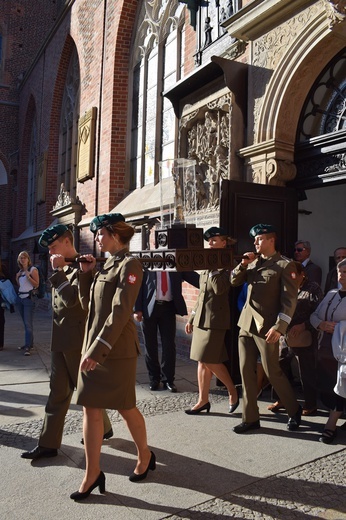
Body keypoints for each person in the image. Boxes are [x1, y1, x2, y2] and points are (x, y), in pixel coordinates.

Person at [70, 213, 154, 501]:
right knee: (90, 409)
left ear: (116, 235)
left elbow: (120, 312)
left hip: (115, 352)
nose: (96, 238)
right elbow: (88, 308)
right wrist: (86, 274)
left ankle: (145, 454)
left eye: (100, 234)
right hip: (94, 347)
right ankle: (92, 473)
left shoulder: (130, 265)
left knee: (125, 407)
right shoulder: (106, 267)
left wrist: (96, 351)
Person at [21, 224, 112, 461]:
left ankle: (103, 428)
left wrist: (59, 271)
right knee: (58, 392)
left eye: (53, 246)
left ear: (67, 242)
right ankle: (48, 443)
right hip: (60, 340)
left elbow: (75, 303)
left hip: (77, 342)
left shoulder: (84, 266)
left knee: (87, 392)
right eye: (49, 248)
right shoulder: (61, 266)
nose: (51, 251)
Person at [230, 223, 302, 434]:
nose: (255, 243)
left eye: (259, 239)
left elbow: (289, 301)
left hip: (267, 327)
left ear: (271, 240)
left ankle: (294, 409)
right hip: (246, 325)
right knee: (245, 372)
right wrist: (243, 264)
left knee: (272, 371)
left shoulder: (285, 265)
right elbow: (234, 281)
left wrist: (280, 327)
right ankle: (250, 418)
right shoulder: (252, 263)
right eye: (255, 240)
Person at [134, 233, 199, 392]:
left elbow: (193, 277)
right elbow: (138, 285)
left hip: (168, 307)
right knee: (150, 346)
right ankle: (154, 379)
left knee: (169, 345)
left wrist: (211, 279)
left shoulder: (174, 259)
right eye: (158, 241)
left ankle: (169, 379)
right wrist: (137, 309)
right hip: (149, 308)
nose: (160, 243)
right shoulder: (146, 261)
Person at [184, 227, 238, 414]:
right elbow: (201, 295)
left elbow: (220, 289)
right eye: (210, 241)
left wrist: (214, 268)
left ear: (224, 242)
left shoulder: (228, 263)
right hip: (201, 319)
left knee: (211, 360)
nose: (211, 243)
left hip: (215, 320)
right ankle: (203, 400)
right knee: (202, 361)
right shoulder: (209, 264)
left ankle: (233, 391)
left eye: (215, 240)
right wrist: (192, 316)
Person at [267, 262, 323, 416]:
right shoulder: (285, 288)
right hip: (284, 336)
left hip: (303, 336)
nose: (290, 277)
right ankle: (281, 399)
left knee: (306, 371)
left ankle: (310, 405)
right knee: (280, 367)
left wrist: (304, 325)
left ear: (302, 274)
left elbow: (319, 312)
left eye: (293, 274)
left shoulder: (313, 288)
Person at [310, 258, 346, 443]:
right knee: (330, 386)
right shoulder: (331, 294)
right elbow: (314, 315)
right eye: (340, 272)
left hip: (345, 352)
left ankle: (331, 424)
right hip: (326, 350)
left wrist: (341, 327)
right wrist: (321, 324)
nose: (342, 276)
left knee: (341, 385)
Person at [15, 251, 39, 356]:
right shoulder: (20, 271)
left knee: (28, 323)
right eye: (21, 258)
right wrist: (17, 277)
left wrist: (28, 276)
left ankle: (28, 347)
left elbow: (36, 285)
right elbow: (21, 285)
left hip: (29, 299)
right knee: (25, 323)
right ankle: (29, 344)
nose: (23, 259)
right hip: (20, 298)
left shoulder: (32, 270)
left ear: (28, 259)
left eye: (24, 258)